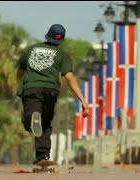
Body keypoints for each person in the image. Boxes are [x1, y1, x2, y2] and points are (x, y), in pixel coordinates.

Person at [16, 24, 89, 164]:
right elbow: (70, 78)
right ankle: (42, 156)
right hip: (51, 90)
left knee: (30, 121)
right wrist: (83, 101)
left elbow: (20, 72)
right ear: (61, 40)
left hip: (31, 88)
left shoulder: (30, 50)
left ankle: (32, 118)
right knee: (46, 123)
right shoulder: (62, 55)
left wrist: (23, 83)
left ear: (47, 35)